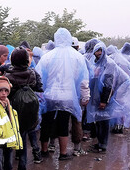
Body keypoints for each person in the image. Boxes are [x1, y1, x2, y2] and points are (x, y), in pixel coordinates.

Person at [35, 28, 89, 160]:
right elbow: (83, 80)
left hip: (50, 96)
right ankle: (63, 153)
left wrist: (39, 96)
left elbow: (39, 77)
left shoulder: (47, 56)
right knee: (63, 124)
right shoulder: (77, 57)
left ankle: (44, 150)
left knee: (46, 123)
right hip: (67, 96)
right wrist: (85, 96)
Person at [87, 42, 130, 152]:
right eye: (96, 53)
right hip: (96, 96)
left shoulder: (109, 64)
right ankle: (99, 142)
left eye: (100, 53)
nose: (97, 55)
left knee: (103, 121)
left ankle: (103, 145)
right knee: (98, 120)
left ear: (103, 53)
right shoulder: (96, 63)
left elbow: (109, 85)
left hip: (105, 96)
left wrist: (104, 101)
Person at [5, 47, 44, 170]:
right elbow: (40, 87)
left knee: (10, 144)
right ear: (27, 60)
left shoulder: (8, 75)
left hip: (11, 113)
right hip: (27, 112)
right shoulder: (32, 73)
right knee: (23, 141)